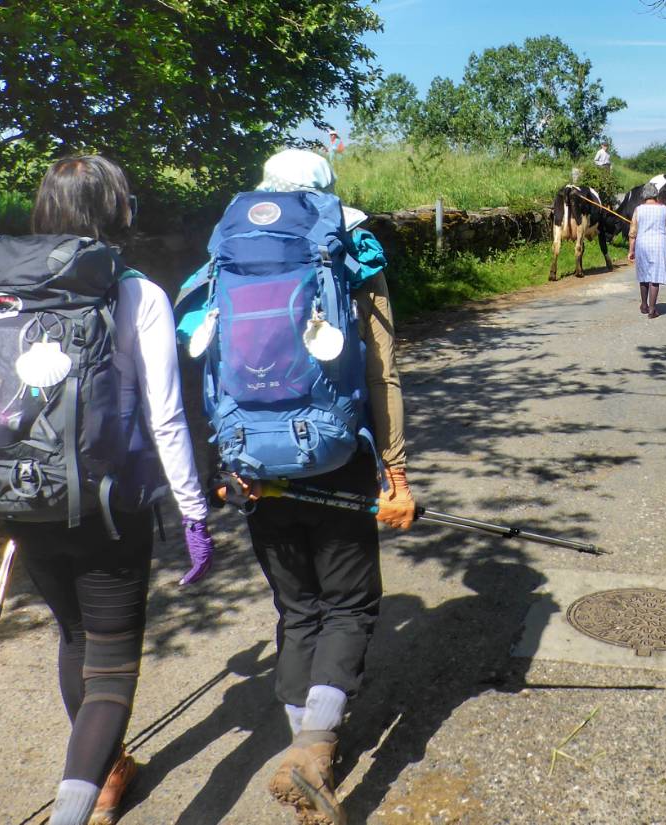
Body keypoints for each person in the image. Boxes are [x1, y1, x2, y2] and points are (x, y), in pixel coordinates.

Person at [10, 156, 215, 825]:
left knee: (74, 635)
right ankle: (79, 805)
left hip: (27, 500)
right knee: (113, 661)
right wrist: (193, 510)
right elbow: (165, 416)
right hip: (110, 506)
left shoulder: (5, 291)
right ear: (115, 212)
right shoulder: (137, 293)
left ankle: (108, 770)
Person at [216, 149, 412, 825]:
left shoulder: (231, 245)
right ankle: (314, 747)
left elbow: (204, 355)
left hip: (254, 463)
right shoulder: (351, 242)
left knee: (297, 608)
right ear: (327, 192)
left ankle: (306, 745)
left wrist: (225, 458)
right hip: (334, 453)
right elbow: (383, 369)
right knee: (350, 603)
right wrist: (397, 473)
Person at [627, 185, 666, 318]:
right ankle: (652, 309)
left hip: (642, 244)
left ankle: (644, 305)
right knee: (655, 277)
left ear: (643, 196)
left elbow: (632, 233)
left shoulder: (638, 210)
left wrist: (631, 250)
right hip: (659, 245)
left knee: (643, 275)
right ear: (656, 195)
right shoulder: (664, 210)